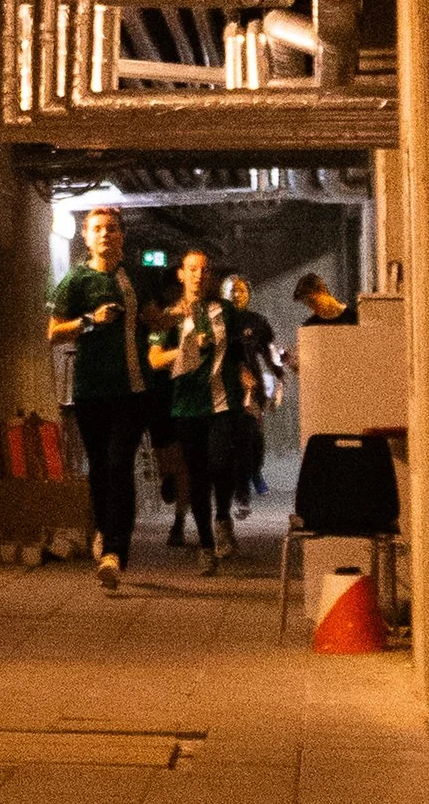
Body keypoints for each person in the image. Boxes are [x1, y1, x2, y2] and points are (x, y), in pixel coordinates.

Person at [47, 201, 147, 590]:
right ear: (86, 238)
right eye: (98, 228)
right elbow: (53, 332)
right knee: (100, 468)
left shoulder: (133, 278)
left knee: (120, 464)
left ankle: (115, 552)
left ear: (122, 237)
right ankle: (105, 532)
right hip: (91, 391)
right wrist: (90, 321)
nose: (106, 234)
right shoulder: (75, 281)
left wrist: (174, 317)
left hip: (132, 389)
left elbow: (151, 318)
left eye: (113, 228)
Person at [148, 245, 239, 572]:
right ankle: (205, 545)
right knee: (197, 476)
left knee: (220, 463)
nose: (199, 275)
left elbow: (238, 351)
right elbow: (154, 359)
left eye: (204, 270)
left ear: (210, 275)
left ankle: (224, 518)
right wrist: (184, 350)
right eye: (192, 269)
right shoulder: (169, 316)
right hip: (187, 407)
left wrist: (248, 377)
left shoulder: (225, 311)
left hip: (222, 402)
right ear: (181, 274)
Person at [223, 272, 280, 508]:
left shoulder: (257, 321)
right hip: (225, 385)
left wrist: (279, 380)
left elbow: (271, 351)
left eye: (241, 290)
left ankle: (254, 470)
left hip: (253, 385)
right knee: (235, 439)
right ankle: (241, 489)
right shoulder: (220, 319)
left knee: (254, 438)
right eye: (232, 290)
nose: (237, 295)